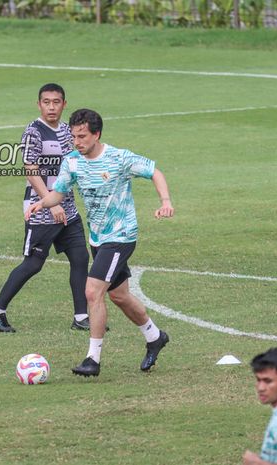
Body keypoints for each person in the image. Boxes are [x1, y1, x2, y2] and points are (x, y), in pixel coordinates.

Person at [25, 108, 175, 376]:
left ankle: (92, 360)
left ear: (97, 134)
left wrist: (165, 202)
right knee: (119, 295)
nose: (77, 142)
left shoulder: (118, 158)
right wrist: (40, 204)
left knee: (93, 292)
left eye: (82, 136)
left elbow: (155, 172)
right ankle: (155, 337)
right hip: (98, 238)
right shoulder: (72, 161)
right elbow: (58, 194)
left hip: (121, 236)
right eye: (73, 137)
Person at [0, 83, 91, 333]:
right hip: (41, 208)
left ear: (64, 104)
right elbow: (31, 169)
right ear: (39, 104)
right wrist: (49, 202)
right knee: (33, 263)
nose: (51, 107)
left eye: (56, 102)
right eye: (46, 102)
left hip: (68, 207)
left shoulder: (68, 131)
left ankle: (81, 316)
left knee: (80, 257)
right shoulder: (33, 132)